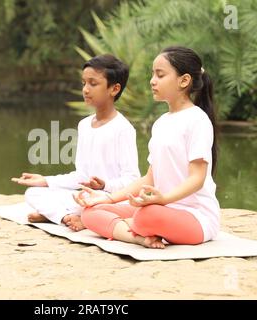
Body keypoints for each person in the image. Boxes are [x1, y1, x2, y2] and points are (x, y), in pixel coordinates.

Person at [73, 46, 220, 249]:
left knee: (146, 215)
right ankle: (138, 238)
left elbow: (197, 178)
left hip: (195, 217)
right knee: (91, 211)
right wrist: (107, 197)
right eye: (153, 74)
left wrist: (163, 199)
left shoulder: (197, 120)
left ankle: (128, 228)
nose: (152, 81)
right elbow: (150, 178)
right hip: (162, 208)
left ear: (184, 81)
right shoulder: (161, 123)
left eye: (160, 75)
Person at [11, 54, 141, 229]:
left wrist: (105, 185)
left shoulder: (123, 129)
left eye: (93, 84)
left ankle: (64, 215)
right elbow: (81, 176)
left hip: (110, 199)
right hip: (86, 197)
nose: (86, 90)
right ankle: (67, 217)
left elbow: (133, 180)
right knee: (33, 193)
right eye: (84, 83)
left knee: (99, 206)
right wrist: (45, 180)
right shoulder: (84, 125)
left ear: (114, 89)